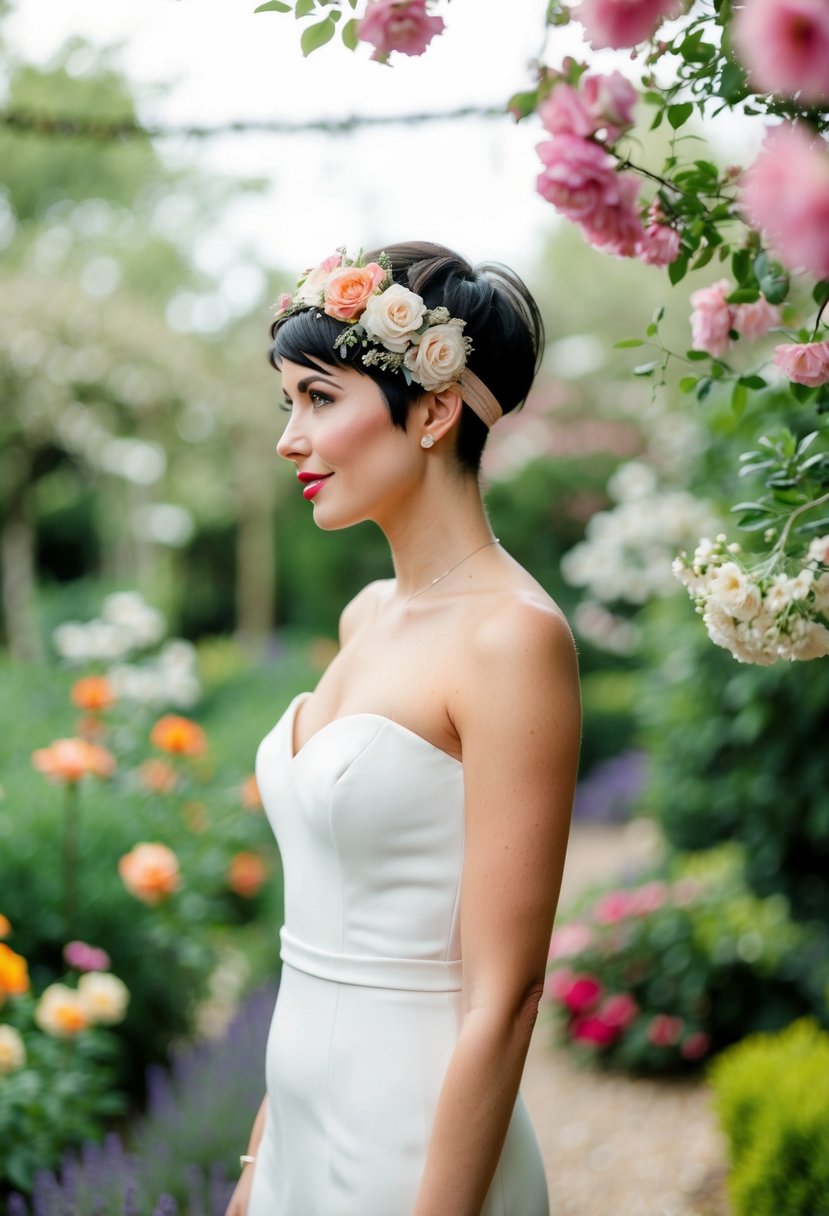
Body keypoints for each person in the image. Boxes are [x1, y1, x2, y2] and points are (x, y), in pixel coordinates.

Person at [225, 241, 581, 1216]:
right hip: (292, 1136)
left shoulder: (513, 640)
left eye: (320, 398)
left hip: (416, 1153)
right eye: (286, 403)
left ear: (431, 410)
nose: (290, 439)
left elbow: (503, 999)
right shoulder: (365, 615)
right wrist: (258, 1169)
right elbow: (321, 947)